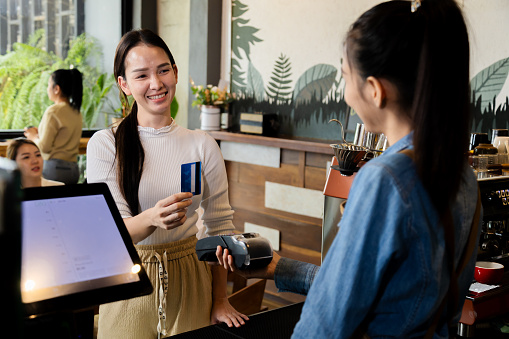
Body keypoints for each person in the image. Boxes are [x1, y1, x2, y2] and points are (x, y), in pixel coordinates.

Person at [217, 0, 481, 338]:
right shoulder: (464, 177)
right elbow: (386, 293)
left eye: (344, 76)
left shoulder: (384, 180)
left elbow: (328, 319)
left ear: (375, 90)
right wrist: (281, 268)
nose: (344, 95)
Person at [86, 29, 248, 338]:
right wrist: (151, 218)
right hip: (127, 279)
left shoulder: (202, 144)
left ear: (175, 72)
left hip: (192, 274)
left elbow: (219, 229)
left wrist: (221, 299)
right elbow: (109, 234)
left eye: (163, 70)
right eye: (142, 75)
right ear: (124, 85)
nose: (156, 83)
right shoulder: (105, 144)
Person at [24, 68, 83, 184]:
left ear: (56, 89)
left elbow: (44, 147)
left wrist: (32, 137)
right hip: (73, 169)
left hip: (55, 169)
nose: (47, 89)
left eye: (48, 85)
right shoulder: (76, 111)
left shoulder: (53, 111)